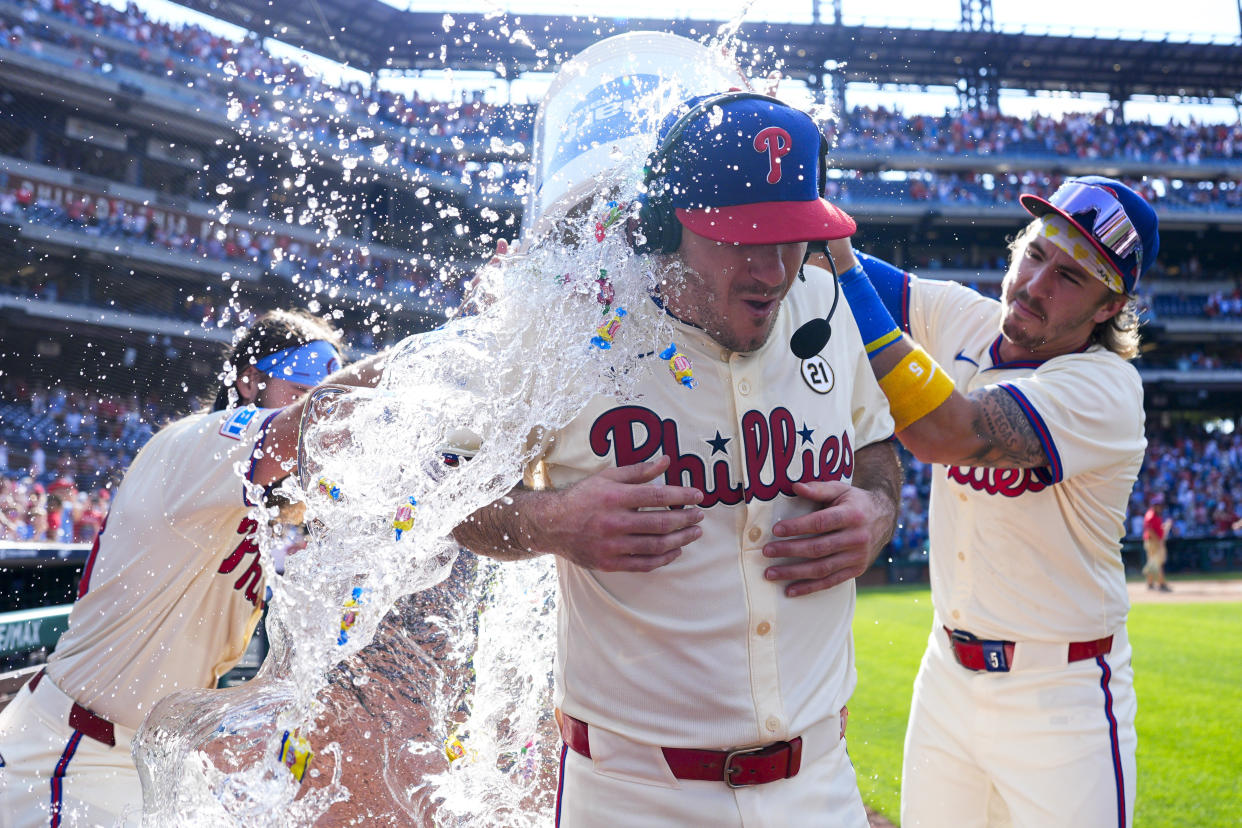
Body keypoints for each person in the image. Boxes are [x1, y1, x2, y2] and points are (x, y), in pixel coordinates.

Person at [454, 92, 901, 826]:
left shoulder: (830, 302)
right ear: (671, 226)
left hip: (820, 782)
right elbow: (450, 495)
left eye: (791, 236)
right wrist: (553, 522)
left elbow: (877, 445)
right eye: (743, 238)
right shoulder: (569, 328)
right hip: (633, 796)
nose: (773, 268)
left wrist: (877, 510)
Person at [819, 175, 1159, 826]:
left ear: (1106, 310)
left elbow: (945, 432)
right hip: (947, 673)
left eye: (1070, 277)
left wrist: (844, 271)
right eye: (1035, 253)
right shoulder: (959, 317)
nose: (1035, 285)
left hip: (1061, 698)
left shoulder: (1107, 389)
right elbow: (828, 258)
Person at [0, 309, 389, 827]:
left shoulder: (261, 501)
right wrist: (440, 348)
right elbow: (296, 431)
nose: (316, 412)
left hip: (153, 755)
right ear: (250, 382)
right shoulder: (202, 442)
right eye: (299, 391)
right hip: (73, 755)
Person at [1142, 499, 1172, 591]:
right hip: (1152, 542)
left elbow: (1157, 530)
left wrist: (1166, 526)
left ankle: (1150, 583)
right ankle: (1161, 583)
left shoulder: (1156, 515)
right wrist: (1158, 541)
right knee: (1157, 563)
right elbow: (1149, 531)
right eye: (1158, 505)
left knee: (1154, 563)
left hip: (1155, 541)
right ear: (1154, 506)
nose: (1160, 507)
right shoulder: (1150, 515)